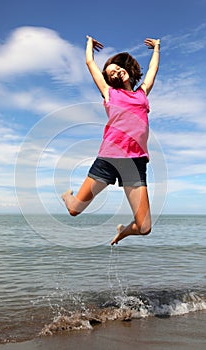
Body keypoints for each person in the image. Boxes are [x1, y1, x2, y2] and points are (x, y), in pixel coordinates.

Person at [62, 35, 160, 245]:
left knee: (144, 228)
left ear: (126, 70)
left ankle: (123, 231)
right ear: (111, 80)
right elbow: (90, 64)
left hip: (136, 162)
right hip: (108, 158)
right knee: (74, 210)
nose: (116, 72)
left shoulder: (142, 94)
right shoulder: (109, 93)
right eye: (111, 73)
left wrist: (157, 49)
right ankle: (67, 196)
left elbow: (152, 72)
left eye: (117, 68)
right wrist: (89, 46)